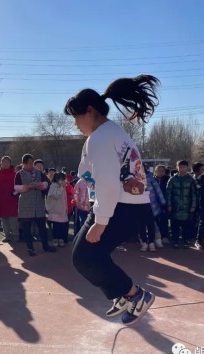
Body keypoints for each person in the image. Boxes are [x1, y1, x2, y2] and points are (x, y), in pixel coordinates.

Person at [64, 74, 159, 325]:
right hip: (124, 206)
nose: (75, 124)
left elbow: (106, 181)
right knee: (85, 255)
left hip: (121, 207)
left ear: (90, 110)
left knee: (85, 257)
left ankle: (135, 295)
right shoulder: (109, 133)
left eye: (75, 117)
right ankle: (122, 295)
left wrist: (101, 220)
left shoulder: (101, 138)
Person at [15, 154, 55, 256]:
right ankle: (30, 248)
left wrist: (40, 185)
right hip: (25, 204)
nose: (30, 165)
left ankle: (45, 246)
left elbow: (46, 183)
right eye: (28, 163)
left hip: (38, 203)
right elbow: (16, 187)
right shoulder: (19, 174)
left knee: (42, 227)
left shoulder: (39, 173)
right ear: (23, 163)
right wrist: (27, 187)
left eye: (32, 163)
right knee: (27, 228)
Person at [166, 160, 197, 248]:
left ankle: (185, 241)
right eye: (180, 167)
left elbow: (194, 194)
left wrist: (193, 205)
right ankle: (175, 241)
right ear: (177, 167)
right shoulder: (172, 179)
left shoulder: (190, 179)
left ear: (187, 167)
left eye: (184, 167)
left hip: (187, 207)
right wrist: (169, 205)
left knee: (186, 226)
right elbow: (168, 193)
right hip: (175, 207)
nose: (182, 169)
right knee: (174, 225)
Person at [0, 156, 19, 243]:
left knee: (13, 220)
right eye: (3, 162)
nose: (5, 164)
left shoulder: (15, 174)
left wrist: (14, 193)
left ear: (10, 163)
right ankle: (7, 236)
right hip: (1, 201)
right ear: (1, 163)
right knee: (4, 220)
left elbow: (19, 185)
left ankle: (15, 236)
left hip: (13, 200)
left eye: (7, 162)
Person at [46, 172, 70, 247]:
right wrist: (62, 187)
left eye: (64, 179)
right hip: (55, 210)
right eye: (61, 179)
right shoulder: (54, 185)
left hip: (62, 210)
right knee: (56, 226)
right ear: (57, 179)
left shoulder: (62, 186)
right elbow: (55, 195)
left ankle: (61, 239)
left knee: (62, 226)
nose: (63, 181)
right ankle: (55, 239)